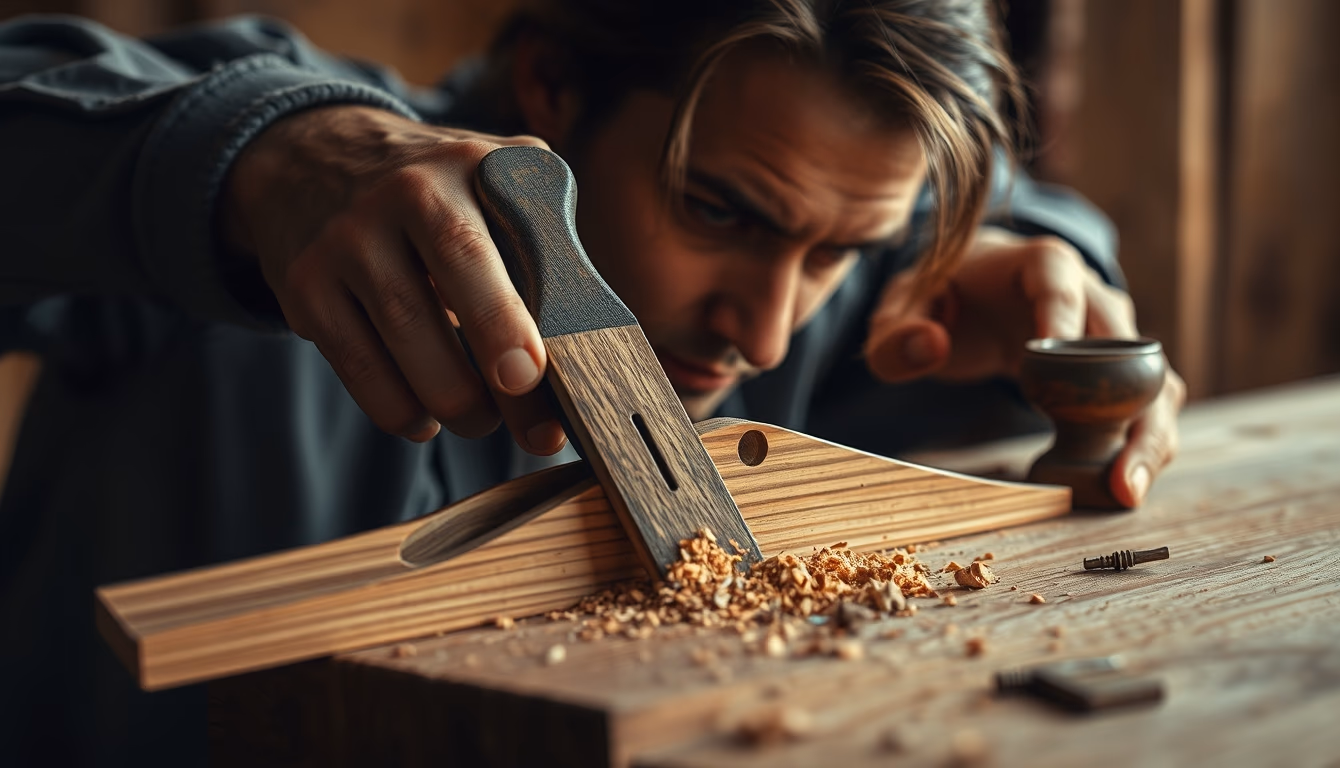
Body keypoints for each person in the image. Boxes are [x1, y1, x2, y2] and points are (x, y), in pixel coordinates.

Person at [0, 1, 1185, 764]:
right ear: (553, 91)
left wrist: (1049, 255)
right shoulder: (272, 209)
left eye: (839, 253)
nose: (768, 333)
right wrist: (240, 155)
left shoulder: (815, 292)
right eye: (716, 209)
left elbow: (987, 219)